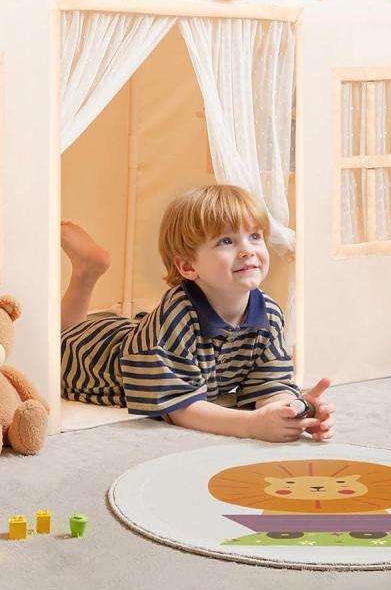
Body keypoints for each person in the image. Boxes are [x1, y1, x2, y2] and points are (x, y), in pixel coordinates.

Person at [60, 184, 334, 442]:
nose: (247, 251)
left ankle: (87, 271)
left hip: (135, 333)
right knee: (55, 343)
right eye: (226, 241)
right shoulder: (178, 316)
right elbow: (178, 407)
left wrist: (292, 410)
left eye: (254, 237)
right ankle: (87, 271)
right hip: (91, 356)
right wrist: (251, 425)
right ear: (188, 267)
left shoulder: (269, 313)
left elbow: (268, 384)